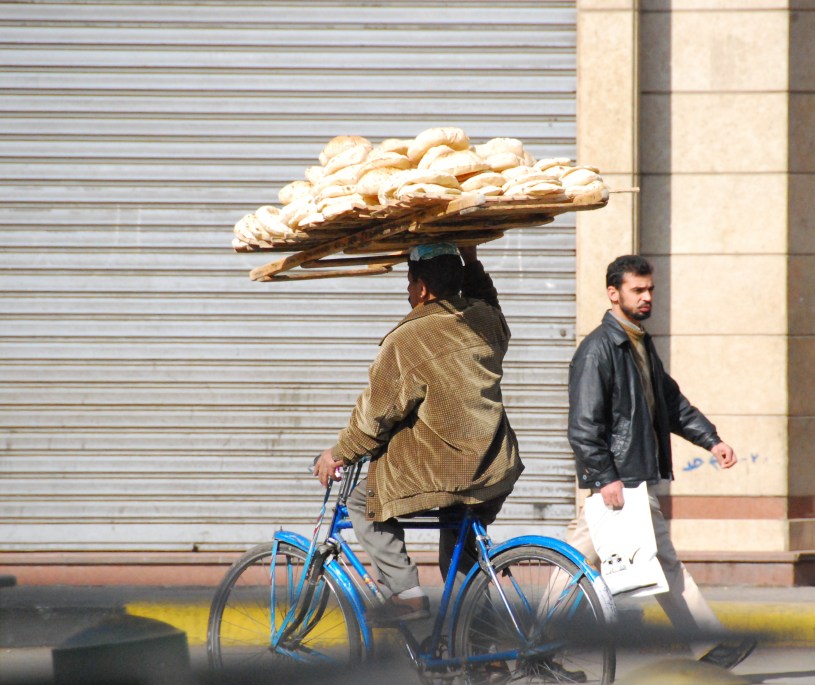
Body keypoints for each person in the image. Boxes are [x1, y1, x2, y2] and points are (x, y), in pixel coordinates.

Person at [563, 254, 756, 669]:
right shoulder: (598, 350)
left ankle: (538, 638)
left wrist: (711, 440)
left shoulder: (638, 343)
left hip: (629, 478)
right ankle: (708, 644)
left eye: (650, 289)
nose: (647, 296)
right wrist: (605, 477)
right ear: (613, 293)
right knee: (602, 562)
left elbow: (671, 403)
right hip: (619, 481)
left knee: (578, 563)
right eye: (637, 290)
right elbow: (583, 425)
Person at [314, 243, 524, 622]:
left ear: (423, 288)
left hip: (449, 473)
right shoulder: (486, 320)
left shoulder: (408, 339)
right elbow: (487, 299)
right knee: (460, 562)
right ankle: (481, 649)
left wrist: (337, 454)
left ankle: (407, 595)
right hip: (495, 467)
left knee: (363, 503)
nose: (408, 292)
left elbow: (375, 418)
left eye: (410, 283)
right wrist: (472, 259)